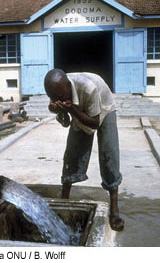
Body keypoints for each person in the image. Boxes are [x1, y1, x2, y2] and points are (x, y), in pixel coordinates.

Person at [44, 69, 124, 231]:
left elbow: (94, 123)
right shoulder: (58, 90)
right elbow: (63, 117)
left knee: (109, 154)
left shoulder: (88, 88)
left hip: (104, 107)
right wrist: (56, 107)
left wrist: (72, 109)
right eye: (54, 97)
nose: (57, 99)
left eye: (60, 96)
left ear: (68, 86)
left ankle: (114, 207)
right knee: (72, 152)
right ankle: (63, 200)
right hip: (80, 108)